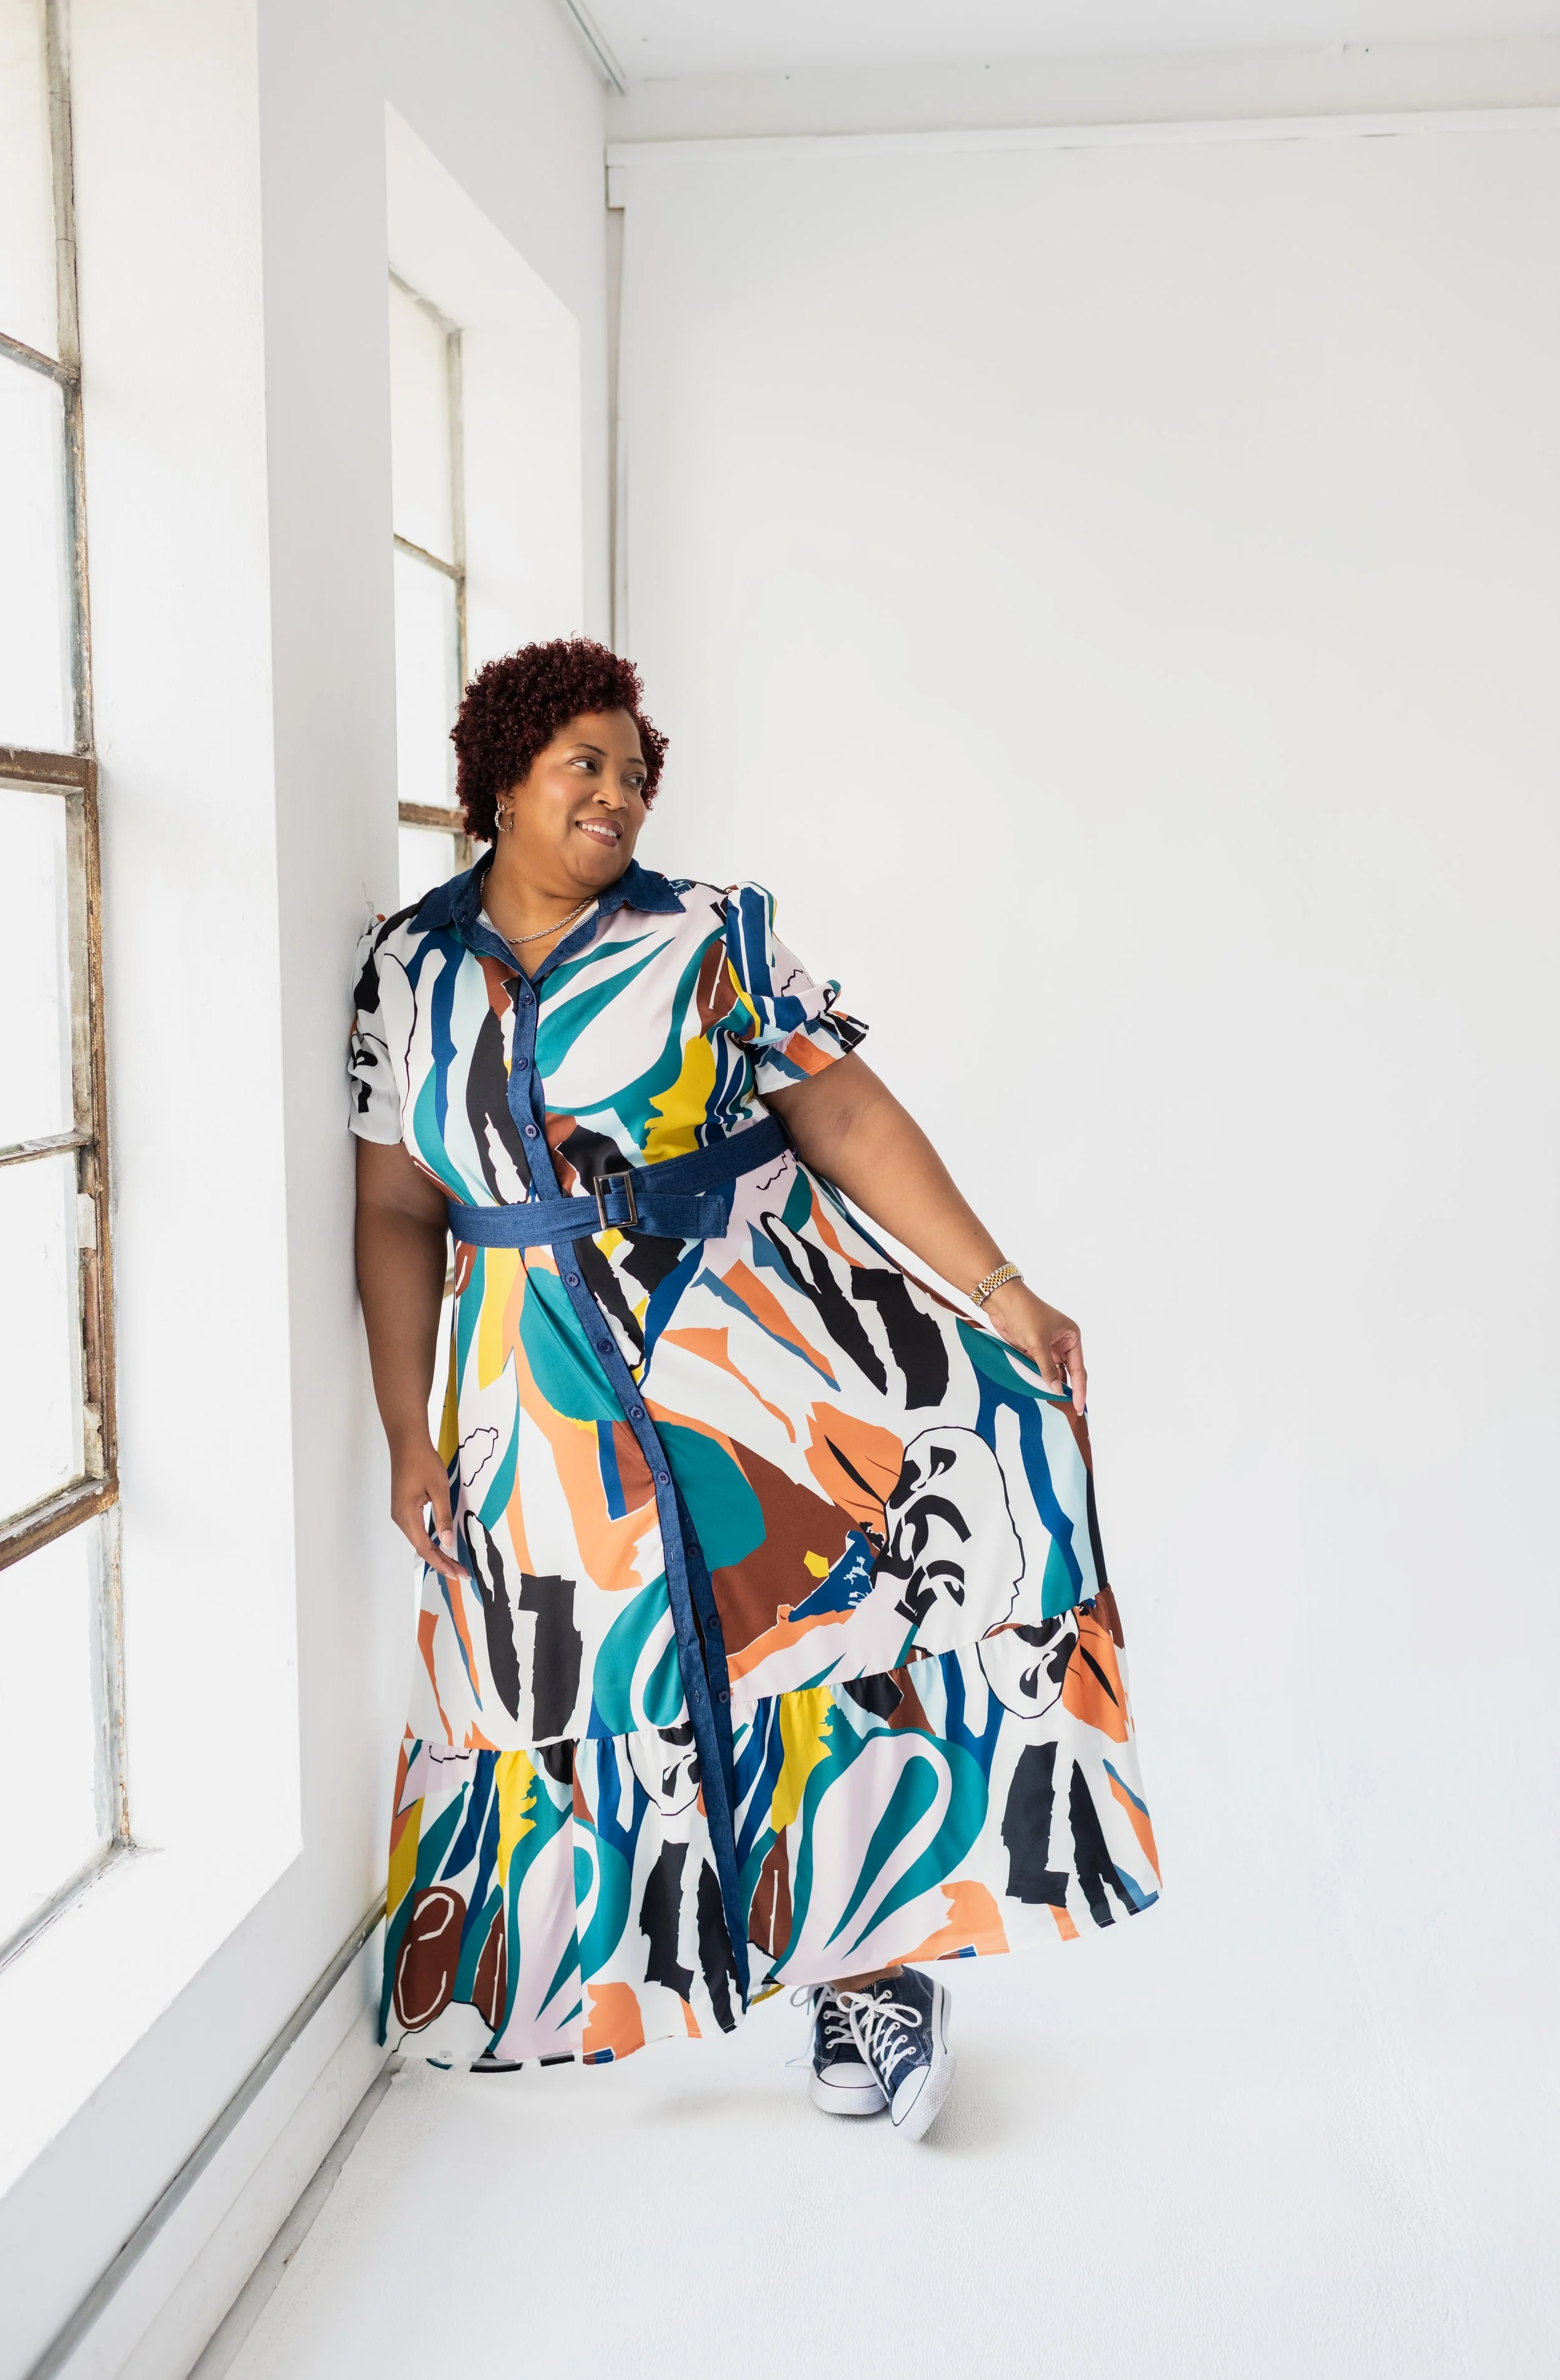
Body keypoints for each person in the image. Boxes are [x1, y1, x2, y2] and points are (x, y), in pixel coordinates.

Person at [351, 637, 1158, 2142]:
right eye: (582, 762)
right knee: (580, 1667)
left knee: (814, 1633)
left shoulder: (716, 934)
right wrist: (410, 1424)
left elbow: (840, 1109)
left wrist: (997, 1290)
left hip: (749, 1333)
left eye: (634, 772)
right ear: (502, 776)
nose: (616, 793)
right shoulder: (410, 966)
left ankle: (871, 1964)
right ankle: (612, 1971)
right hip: (535, 1375)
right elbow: (397, 1206)